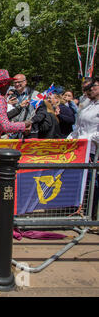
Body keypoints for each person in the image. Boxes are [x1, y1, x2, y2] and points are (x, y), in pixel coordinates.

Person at [68, 76, 99, 220]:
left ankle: (91, 214)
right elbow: (79, 127)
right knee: (81, 181)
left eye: (93, 87)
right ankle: (79, 210)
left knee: (93, 182)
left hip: (93, 150)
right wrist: (70, 139)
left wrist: (89, 139)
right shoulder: (87, 104)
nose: (89, 91)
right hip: (80, 149)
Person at [7, 73, 39, 138]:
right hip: (14, 132)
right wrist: (7, 104)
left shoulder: (35, 95)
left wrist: (31, 122)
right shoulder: (10, 97)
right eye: (15, 83)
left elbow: (40, 112)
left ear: (25, 82)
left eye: (19, 82)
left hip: (29, 130)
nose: (16, 84)